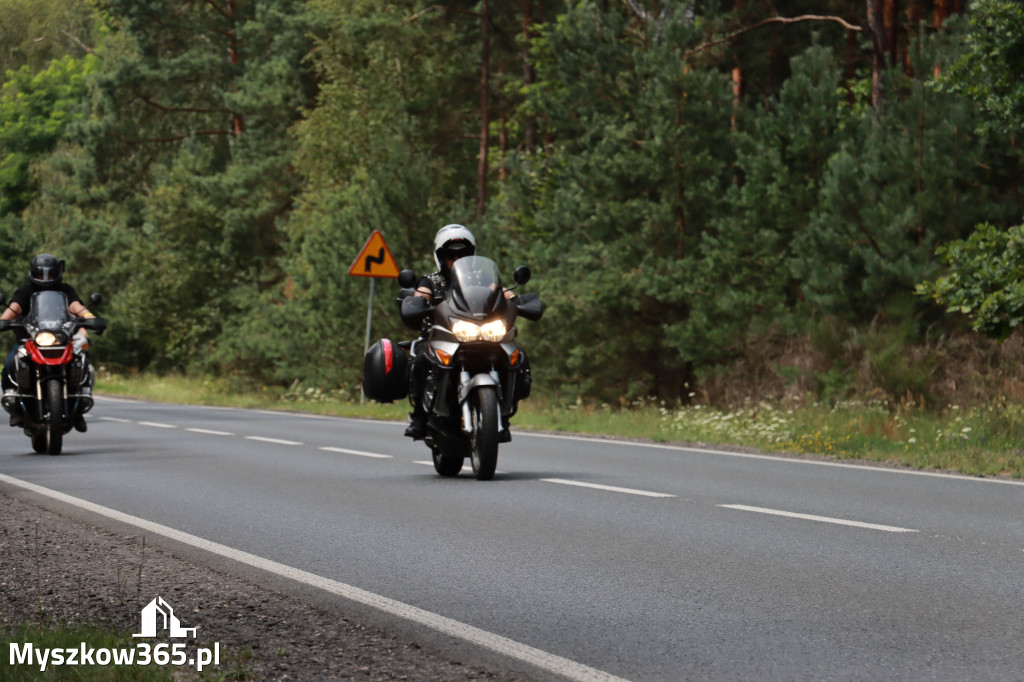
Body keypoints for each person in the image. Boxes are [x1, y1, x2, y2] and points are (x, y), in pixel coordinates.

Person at [404, 225, 523, 441]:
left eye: (463, 254)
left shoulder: (482, 278)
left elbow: (501, 291)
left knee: (515, 355)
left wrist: (515, 299)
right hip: (442, 337)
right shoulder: (431, 280)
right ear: (441, 257)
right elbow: (421, 293)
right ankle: (419, 418)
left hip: (481, 334)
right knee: (421, 357)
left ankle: (503, 416)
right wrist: (417, 301)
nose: (457, 258)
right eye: (451, 254)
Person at [1, 254, 97, 431]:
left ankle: (78, 406)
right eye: (42, 274)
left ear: (58, 273)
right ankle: (14, 406)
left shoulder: (65, 291)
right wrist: (3, 320)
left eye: (51, 275)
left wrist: (90, 318)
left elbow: (76, 306)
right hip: (28, 341)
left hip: (61, 340)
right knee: (9, 364)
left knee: (80, 361)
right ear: (33, 273)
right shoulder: (25, 291)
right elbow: (14, 308)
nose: (46, 279)